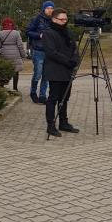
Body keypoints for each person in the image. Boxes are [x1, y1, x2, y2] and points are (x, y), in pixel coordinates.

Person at [43, 8, 80, 137]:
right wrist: (67, 61)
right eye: (62, 19)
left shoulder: (68, 32)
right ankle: (50, 125)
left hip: (67, 70)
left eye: (66, 19)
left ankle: (63, 123)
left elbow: (75, 48)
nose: (64, 21)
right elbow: (51, 52)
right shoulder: (48, 33)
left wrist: (75, 60)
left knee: (65, 98)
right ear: (54, 19)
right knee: (53, 98)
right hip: (55, 70)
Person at [26, 1, 55, 104]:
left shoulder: (54, 20)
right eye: (48, 8)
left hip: (49, 51)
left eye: (51, 8)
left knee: (46, 75)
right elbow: (28, 31)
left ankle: (43, 96)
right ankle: (33, 93)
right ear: (44, 9)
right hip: (38, 50)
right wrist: (39, 35)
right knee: (38, 74)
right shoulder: (37, 19)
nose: (50, 10)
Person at [0, 18, 27, 91]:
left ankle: (2, 86)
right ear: (12, 25)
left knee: (4, 70)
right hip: (15, 53)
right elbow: (20, 45)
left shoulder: (0, 33)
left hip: (4, 53)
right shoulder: (16, 33)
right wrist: (23, 55)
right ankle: (15, 88)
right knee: (16, 71)